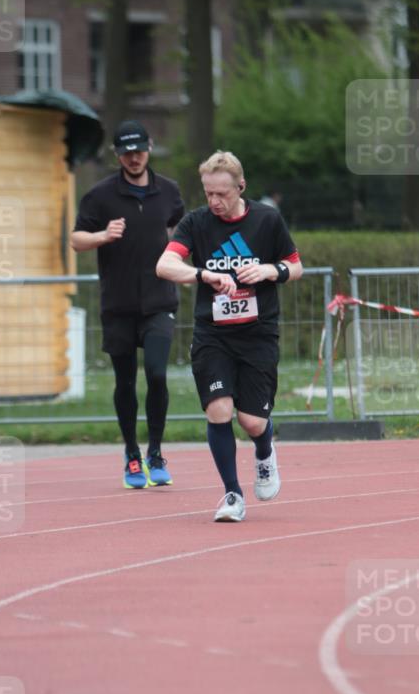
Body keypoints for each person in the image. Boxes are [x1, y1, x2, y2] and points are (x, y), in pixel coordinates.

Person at [156, 150, 302, 522]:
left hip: (258, 334)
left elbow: (295, 266)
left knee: (251, 421)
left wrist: (270, 270)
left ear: (241, 187)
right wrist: (203, 275)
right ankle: (232, 495)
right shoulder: (197, 222)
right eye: (208, 193)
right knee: (219, 410)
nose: (214, 202)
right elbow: (165, 264)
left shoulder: (267, 220)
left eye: (222, 194)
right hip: (213, 334)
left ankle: (265, 452)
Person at [71, 121, 185, 488]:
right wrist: (103, 236)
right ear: (117, 155)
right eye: (126, 153)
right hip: (118, 303)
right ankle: (132, 454)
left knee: (155, 372)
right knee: (125, 380)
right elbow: (76, 240)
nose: (134, 158)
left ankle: (155, 451)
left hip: (159, 299)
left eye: (139, 151)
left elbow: (180, 231)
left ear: (149, 148)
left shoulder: (169, 191)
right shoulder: (100, 196)